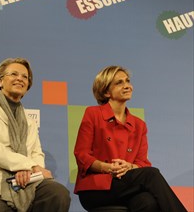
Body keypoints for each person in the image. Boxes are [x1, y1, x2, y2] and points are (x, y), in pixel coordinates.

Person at [74, 65, 187, 211]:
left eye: (127, 81)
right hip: (96, 187)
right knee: (151, 175)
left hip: (126, 184)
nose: (127, 86)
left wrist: (130, 166)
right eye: (119, 83)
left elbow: (142, 162)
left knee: (147, 202)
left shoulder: (139, 125)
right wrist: (108, 167)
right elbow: (81, 154)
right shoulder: (93, 114)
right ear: (106, 91)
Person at [0, 57, 70, 212]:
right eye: (14, 74)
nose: (20, 78)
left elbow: (36, 153)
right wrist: (27, 165)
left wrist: (30, 170)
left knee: (58, 194)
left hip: (26, 182)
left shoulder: (29, 120)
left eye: (25, 77)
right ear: (0, 81)